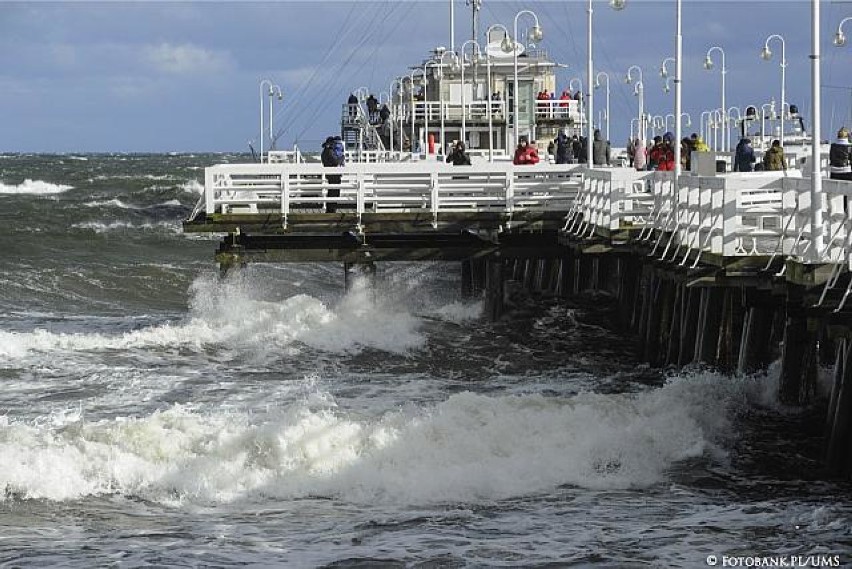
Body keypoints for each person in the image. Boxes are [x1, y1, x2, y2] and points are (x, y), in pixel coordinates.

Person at [321, 136, 343, 213]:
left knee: (332, 192)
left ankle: (330, 209)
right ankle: (331, 209)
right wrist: (341, 158)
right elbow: (336, 161)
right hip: (334, 175)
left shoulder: (324, 152)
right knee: (334, 193)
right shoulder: (329, 151)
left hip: (330, 175)